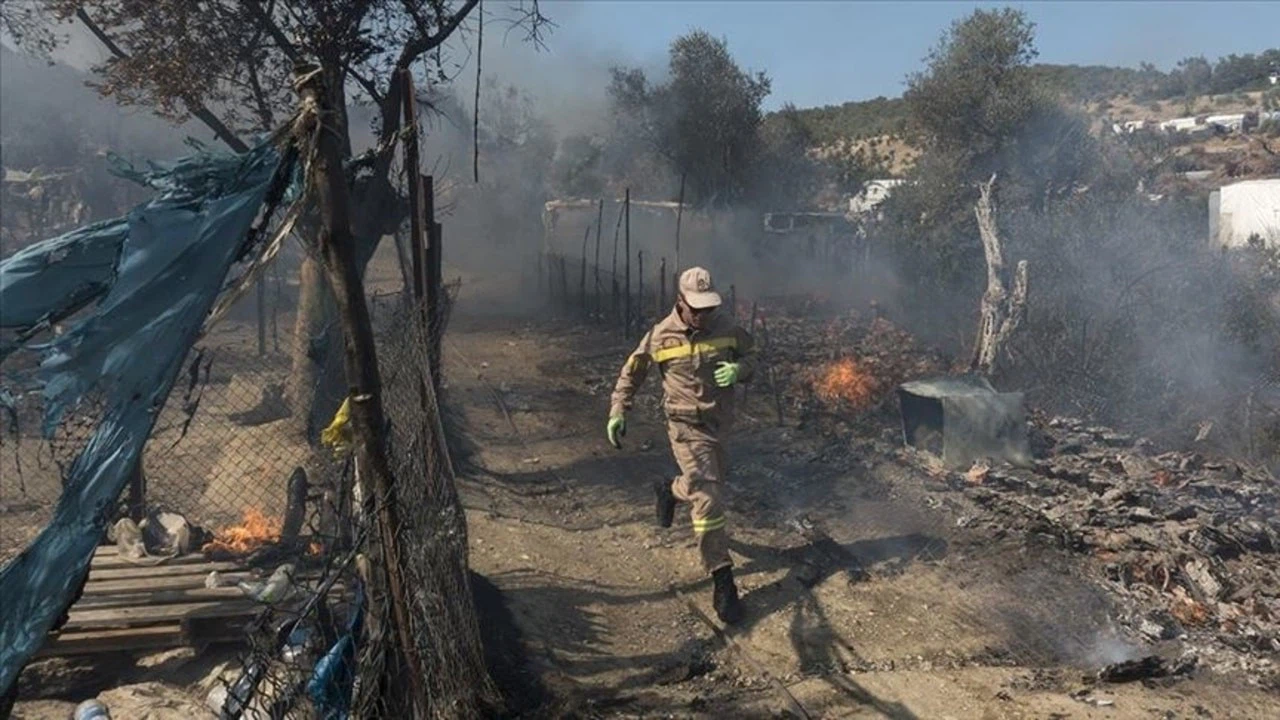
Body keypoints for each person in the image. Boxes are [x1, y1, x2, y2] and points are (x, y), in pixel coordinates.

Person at [607, 266, 758, 624]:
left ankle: (670, 490)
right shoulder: (660, 337)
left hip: (718, 426)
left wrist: (740, 371)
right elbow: (633, 372)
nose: (704, 315)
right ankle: (722, 579)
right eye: (697, 309)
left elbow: (751, 357)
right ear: (681, 303)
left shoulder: (728, 328)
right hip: (684, 428)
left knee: (703, 484)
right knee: (708, 499)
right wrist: (618, 409)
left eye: (709, 308)